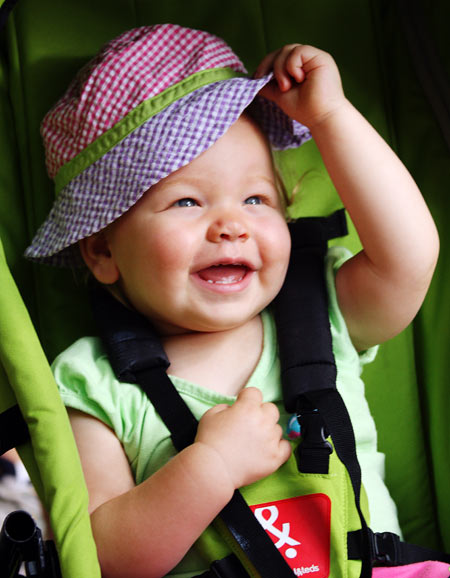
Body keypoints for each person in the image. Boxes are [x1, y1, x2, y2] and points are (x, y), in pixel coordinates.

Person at [25, 24, 445, 578]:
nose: (231, 225)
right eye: (186, 201)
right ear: (103, 250)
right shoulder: (93, 381)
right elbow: (104, 558)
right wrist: (210, 467)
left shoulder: (320, 312)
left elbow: (411, 257)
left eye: (256, 198)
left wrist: (330, 118)